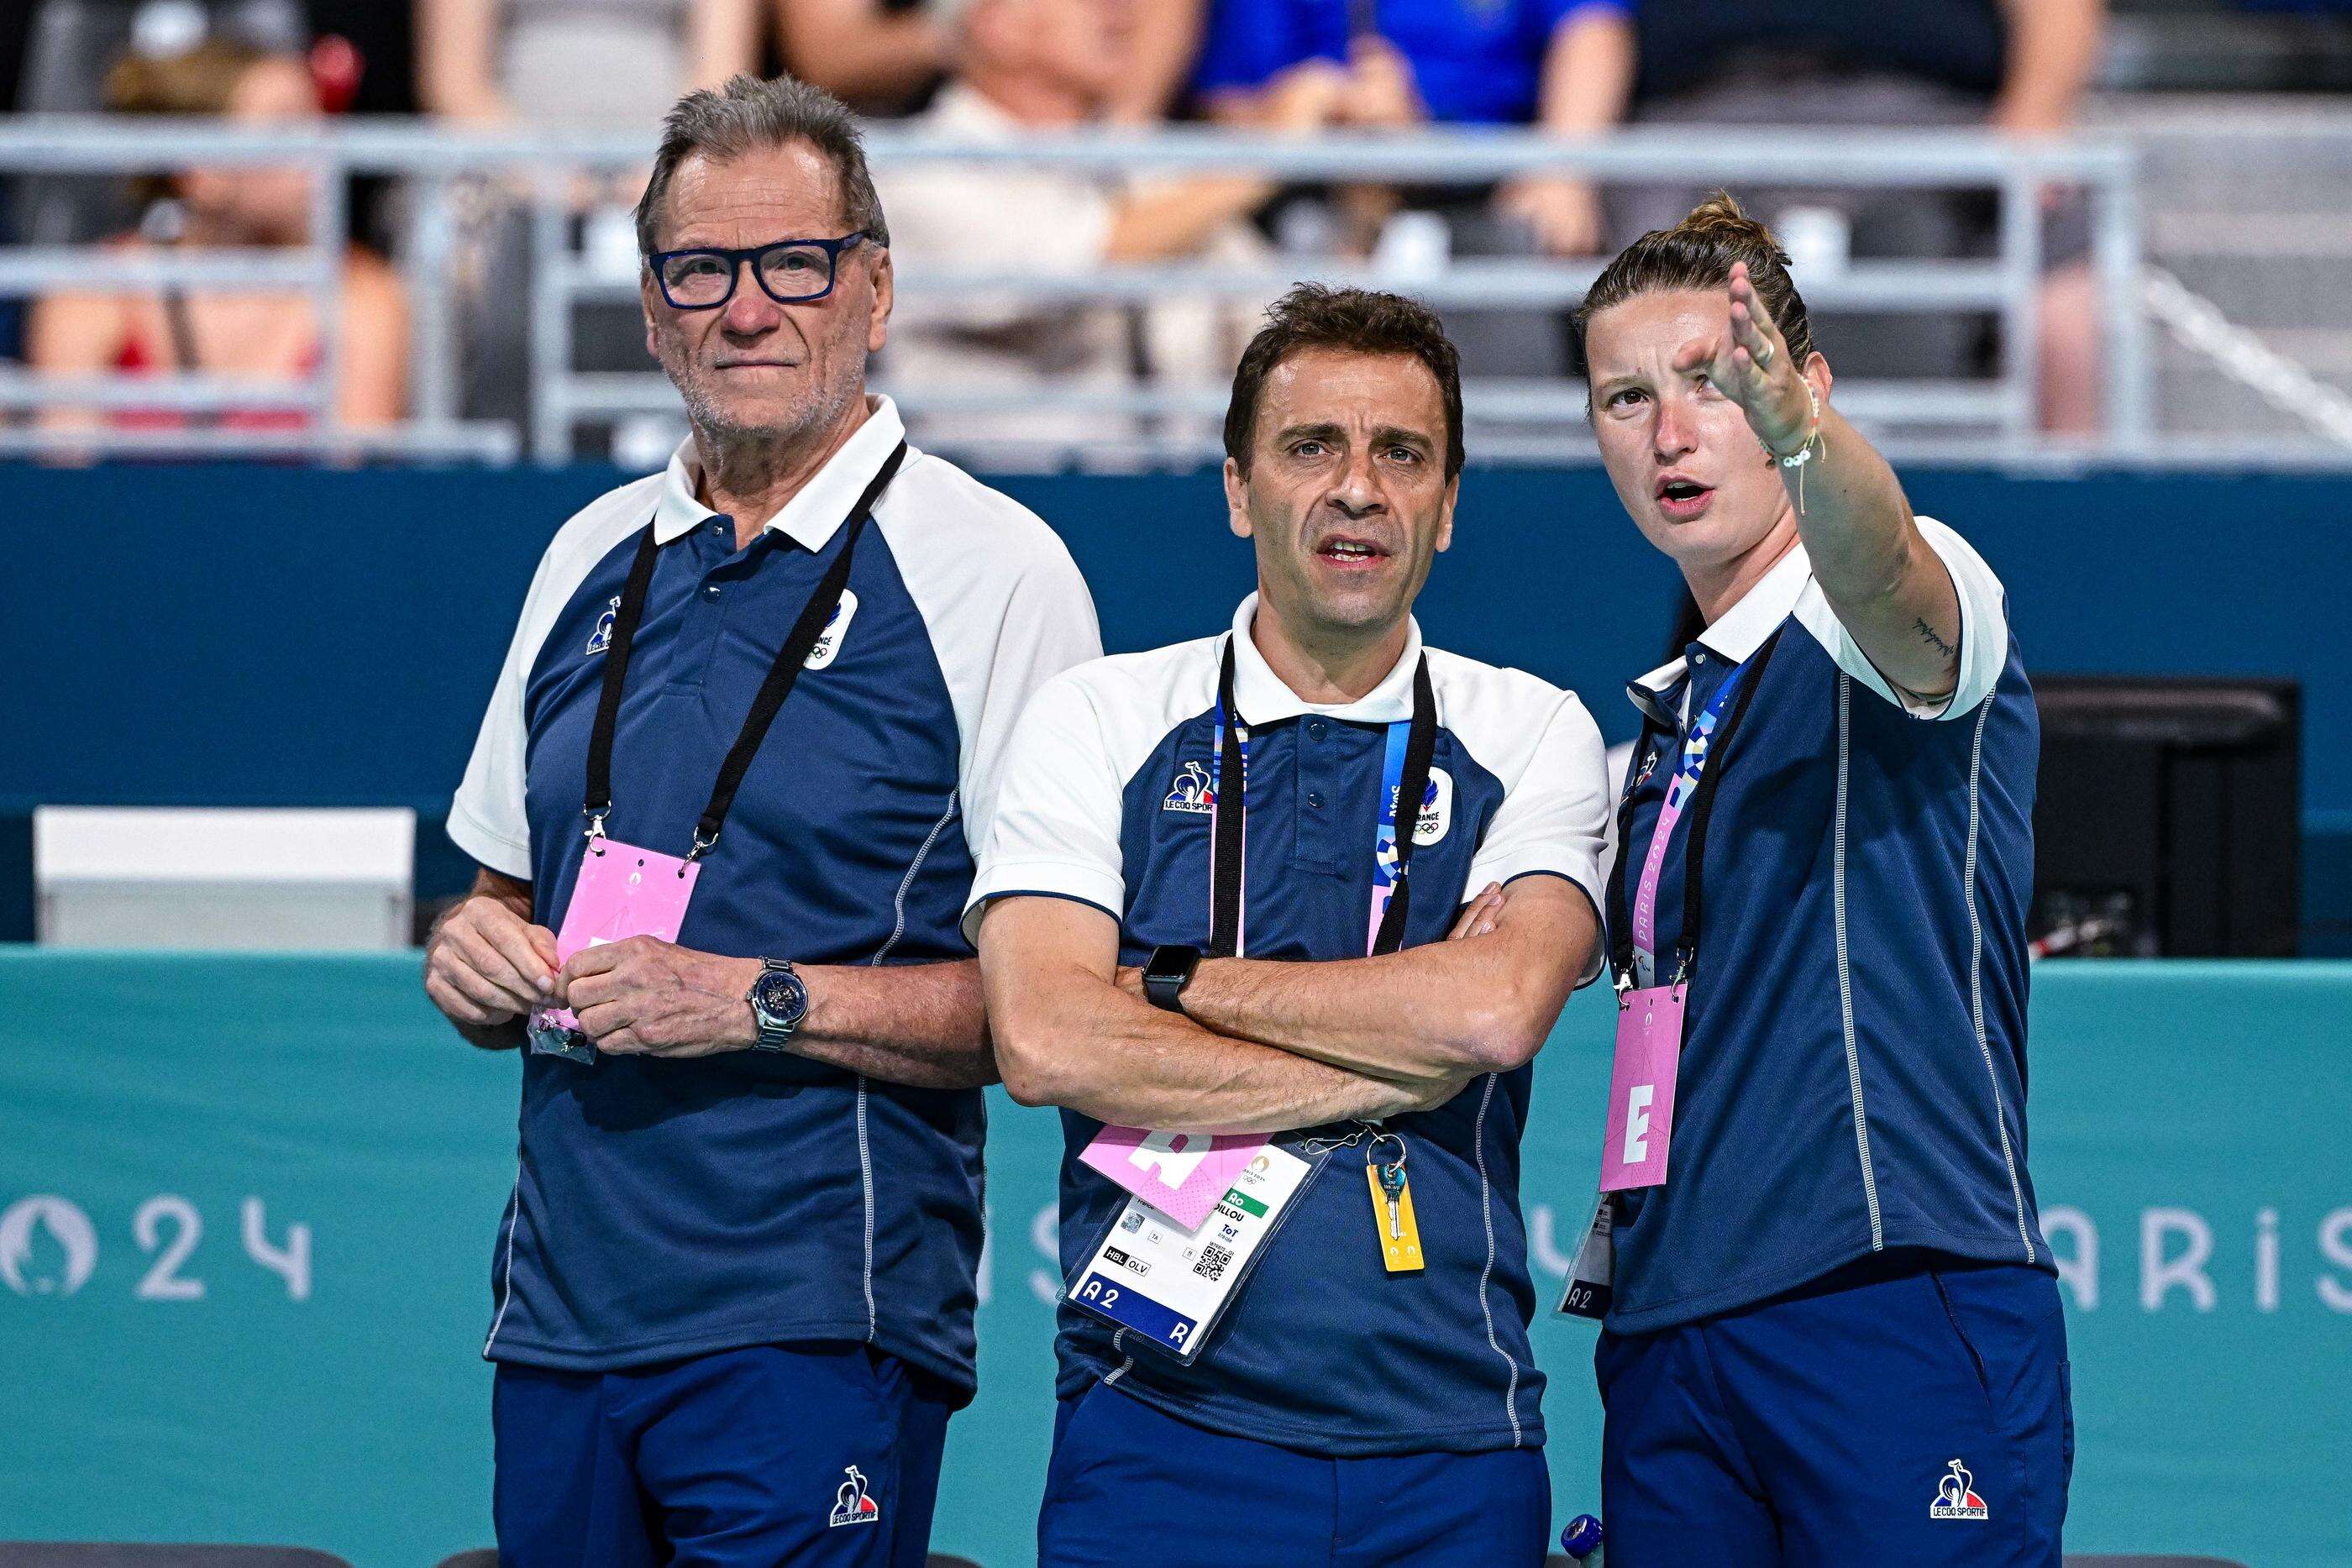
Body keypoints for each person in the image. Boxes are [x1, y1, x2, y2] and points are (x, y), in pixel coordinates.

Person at [423, 73, 1100, 1566]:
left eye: (793, 263)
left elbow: (1055, 1014)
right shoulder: (584, 552)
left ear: (874, 288)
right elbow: (488, 895)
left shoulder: (996, 569)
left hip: (817, 1313)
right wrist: (471, 953)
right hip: (558, 1317)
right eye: (701, 271)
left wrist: (752, 1001)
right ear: (654, 310)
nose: (749, 309)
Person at [971, 285, 1611, 1566]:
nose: (1358, 488)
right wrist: (1397, 1046)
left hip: (1450, 1439)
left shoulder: (1535, 726)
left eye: (1402, 454)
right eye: (1312, 446)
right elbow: (1044, 1038)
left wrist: (1165, 984)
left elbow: (1494, 1011)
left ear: (1447, 505)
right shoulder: (1098, 717)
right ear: (1237, 487)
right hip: (1156, 1425)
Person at [1568, 193, 2068, 1563]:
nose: (1668, 431)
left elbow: (1887, 575)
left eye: (1711, 384)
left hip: (1885, 1292)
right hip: (1669, 1325)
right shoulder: (1657, 723)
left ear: (1806, 391)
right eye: (1624, 397)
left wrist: (1800, 438)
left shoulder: (1908, 600)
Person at [1557, 0, 2109, 432]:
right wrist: (1566, 169)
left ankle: (2061, 544)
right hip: (1700, 120)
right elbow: (1589, 21)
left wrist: (2033, 118)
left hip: (1928, 119)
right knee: (1623, 295)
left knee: (2065, 301)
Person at [878, 0, 1341, 460]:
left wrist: (1366, 188)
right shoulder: (920, 169)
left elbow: (1276, 315)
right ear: (999, 25)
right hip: (1007, 499)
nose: (1121, 12)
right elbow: (1078, 264)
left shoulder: (1141, 167)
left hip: (1177, 494)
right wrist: (1265, 158)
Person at [27, 39, 407, 432]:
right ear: (202, 171)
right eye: (286, 128)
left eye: (319, 120)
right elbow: (68, 482)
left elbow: (356, 484)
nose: (320, 148)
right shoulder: (90, 296)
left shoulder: (364, 294)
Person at [1191, 0, 1635, 258]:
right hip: (1314, 187)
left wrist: (1562, 168)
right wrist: (1313, 109)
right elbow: (1226, 101)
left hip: (1489, 184)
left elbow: (1591, 25)